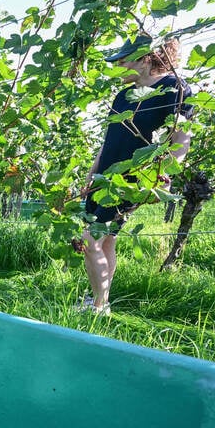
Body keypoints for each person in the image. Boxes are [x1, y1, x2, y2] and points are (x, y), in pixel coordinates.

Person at [81, 34, 194, 315]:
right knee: (106, 239)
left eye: (121, 62)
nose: (116, 68)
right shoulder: (123, 95)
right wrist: (92, 173)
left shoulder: (174, 88)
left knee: (89, 238)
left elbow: (181, 140)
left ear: (144, 59)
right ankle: (100, 301)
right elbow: (110, 139)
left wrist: (162, 173)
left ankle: (97, 306)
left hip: (130, 178)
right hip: (104, 177)